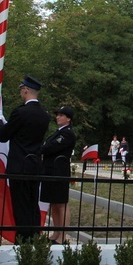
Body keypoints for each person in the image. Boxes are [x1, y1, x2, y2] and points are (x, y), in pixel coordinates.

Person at [0, 75, 50, 243]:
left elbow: (3, 135)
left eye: (21, 90)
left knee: (21, 205)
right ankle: (34, 236)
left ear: (25, 90)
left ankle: (23, 239)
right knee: (32, 204)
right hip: (35, 164)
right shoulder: (44, 115)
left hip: (20, 164)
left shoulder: (20, 112)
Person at [40, 105, 76, 244]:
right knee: (53, 203)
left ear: (68, 119)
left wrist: (42, 148)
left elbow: (49, 147)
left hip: (59, 171)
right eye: (58, 115)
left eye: (61, 115)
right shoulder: (58, 132)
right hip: (51, 170)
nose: (58, 117)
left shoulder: (67, 133)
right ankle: (56, 232)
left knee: (61, 204)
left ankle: (62, 236)